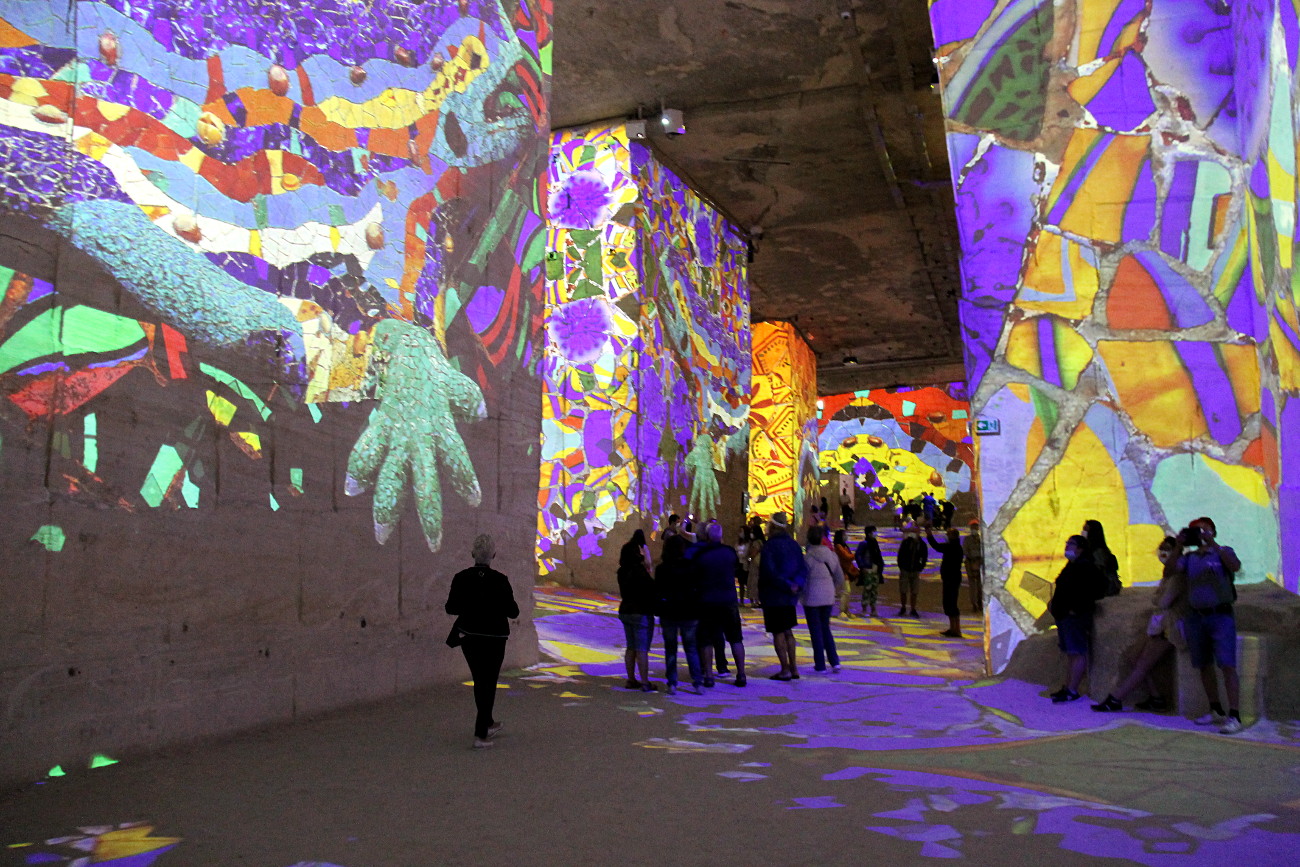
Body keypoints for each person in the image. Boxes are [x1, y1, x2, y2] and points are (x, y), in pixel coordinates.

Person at [1092, 537, 1187, 713]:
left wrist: (1158, 599)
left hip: (1169, 627)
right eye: (1161, 549)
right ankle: (1156, 697)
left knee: (1142, 664)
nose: (1163, 553)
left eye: (1168, 549)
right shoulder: (1169, 575)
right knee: (1134, 657)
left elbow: (1163, 601)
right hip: (1159, 624)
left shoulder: (1179, 575)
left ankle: (1116, 699)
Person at [445, 534, 519, 750]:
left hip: (470, 636)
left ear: (472, 554)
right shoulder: (500, 580)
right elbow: (513, 612)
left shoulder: (461, 578)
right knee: (489, 682)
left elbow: (451, 608)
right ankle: (481, 734)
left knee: (480, 680)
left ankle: (487, 722)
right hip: (495, 638)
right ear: (493, 555)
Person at [1178, 517, 1244, 733]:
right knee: (1203, 664)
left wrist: (1213, 544)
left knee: (1227, 664)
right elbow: (1169, 571)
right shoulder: (1190, 558)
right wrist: (1179, 544)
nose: (1202, 534)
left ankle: (1234, 715)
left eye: (1205, 530)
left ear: (1214, 531)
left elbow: (1235, 566)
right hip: (1196, 617)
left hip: (1221, 615)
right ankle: (1215, 709)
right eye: (1197, 531)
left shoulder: (1223, 551)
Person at [692, 521, 748, 687]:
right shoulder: (730, 552)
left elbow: (695, 576)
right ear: (721, 536)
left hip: (707, 601)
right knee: (736, 639)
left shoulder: (701, 555)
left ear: (707, 537)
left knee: (707, 640)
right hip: (729, 600)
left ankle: (709, 676)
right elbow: (736, 569)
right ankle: (741, 674)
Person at [1048, 535, 1100, 703]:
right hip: (1065, 616)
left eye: (1071, 544)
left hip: (1074, 617)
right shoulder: (1073, 565)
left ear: (1080, 548)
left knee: (1077, 652)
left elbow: (1087, 592)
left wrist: (1074, 610)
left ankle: (1072, 689)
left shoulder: (1085, 567)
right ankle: (1068, 686)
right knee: (1070, 653)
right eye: (1067, 543)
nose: (1067, 546)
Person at [758, 512, 807, 680]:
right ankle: (794, 668)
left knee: (778, 632)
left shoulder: (769, 547)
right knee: (788, 631)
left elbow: (770, 572)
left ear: (772, 527)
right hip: (789, 597)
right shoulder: (794, 545)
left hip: (774, 595)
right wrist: (796, 584)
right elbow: (802, 568)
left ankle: (785, 669)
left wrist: (786, 585)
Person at [655, 534, 705, 695]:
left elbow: (659, 591)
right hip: (689, 612)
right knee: (691, 648)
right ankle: (697, 682)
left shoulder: (662, 568)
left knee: (670, 649)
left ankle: (672, 683)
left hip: (669, 612)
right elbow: (698, 588)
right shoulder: (692, 566)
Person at [617, 529, 657, 692]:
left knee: (631, 646)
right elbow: (651, 589)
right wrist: (649, 568)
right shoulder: (640, 572)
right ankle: (645, 682)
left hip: (625, 610)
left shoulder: (622, 571)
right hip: (640, 611)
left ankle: (631, 679)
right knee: (641, 649)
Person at [802, 525, 843, 673]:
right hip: (828, 596)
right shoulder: (832, 556)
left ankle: (820, 664)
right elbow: (840, 578)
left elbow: (803, 579)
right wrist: (832, 588)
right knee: (825, 628)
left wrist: (800, 594)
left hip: (812, 597)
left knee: (815, 631)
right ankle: (835, 661)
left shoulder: (807, 558)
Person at [926, 524, 965, 638]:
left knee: (951, 603)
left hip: (952, 578)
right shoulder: (953, 546)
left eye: (948, 534)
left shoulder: (953, 547)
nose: (946, 536)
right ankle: (953, 628)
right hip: (950, 577)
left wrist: (929, 535)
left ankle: (956, 629)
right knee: (948, 603)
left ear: (953, 536)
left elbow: (937, 547)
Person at [1082, 519, 1120, 597]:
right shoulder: (1094, 550)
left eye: (1085, 530)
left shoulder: (1098, 552)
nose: (1083, 532)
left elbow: (1096, 575)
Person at [896, 523, 927, 618]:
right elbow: (900, 555)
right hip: (905, 569)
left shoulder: (921, 544)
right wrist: (901, 566)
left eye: (916, 531)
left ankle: (913, 608)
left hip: (915, 569)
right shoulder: (906, 542)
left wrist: (921, 566)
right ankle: (903, 607)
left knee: (914, 590)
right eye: (913, 531)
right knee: (903, 589)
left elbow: (924, 556)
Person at [854, 525, 884, 618]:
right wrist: (862, 567)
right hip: (868, 569)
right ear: (869, 533)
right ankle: (864, 609)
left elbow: (878, 556)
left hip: (875, 570)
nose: (875, 534)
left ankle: (873, 609)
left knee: (874, 590)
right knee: (867, 590)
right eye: (873, 532)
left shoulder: (875, 543)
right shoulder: (864, 544)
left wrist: (880, 567)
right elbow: (858, 555)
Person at [833, 528, 859, 619]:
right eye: (844, 535)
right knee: (846, 591)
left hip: (846, 571)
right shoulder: (838, 547)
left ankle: (846, 610)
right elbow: (847, 557)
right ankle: (842, 611)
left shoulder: (844, 546)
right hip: (842, 571)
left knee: (847, 591)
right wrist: (856, 554)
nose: (846, 537)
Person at [742, 517, 765, 607]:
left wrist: (748, 558)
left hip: (755, 564)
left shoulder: (756, 543)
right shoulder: (762, 542)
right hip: (758, 564)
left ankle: (754, 600)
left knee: (753, 582)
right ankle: (756, 600)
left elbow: (753, 553)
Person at [963, 520, 984, 613]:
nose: (974, 529)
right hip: (970, 563)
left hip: (981, 563)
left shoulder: (982, 539)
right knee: (972, 586)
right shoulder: (967, 539)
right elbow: (965, 551)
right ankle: (974, 603)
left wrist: (979, 560)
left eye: (976, 528)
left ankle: (980, 602)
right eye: (973, 528)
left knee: (980, 585)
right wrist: (972, 560)